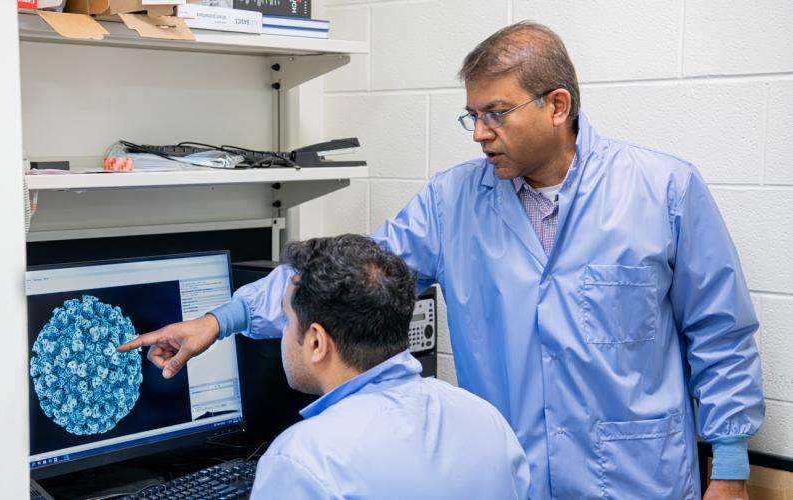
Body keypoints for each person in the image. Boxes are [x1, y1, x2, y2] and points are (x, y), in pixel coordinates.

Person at [119, 22, 764, 499]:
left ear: (558, 106)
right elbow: (345, 275)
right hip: (507, 477)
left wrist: (730, 468)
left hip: (635, 480)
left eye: (496, 113)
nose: (480, 132)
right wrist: (221, 320)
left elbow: (720, 332)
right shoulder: (454, 201)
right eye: (472, 115)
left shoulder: (664, 190)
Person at [123, 234, 530, 499]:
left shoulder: (305, 460)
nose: (284, 334)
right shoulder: (484, 419)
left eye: (286, 320)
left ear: (316, 342)